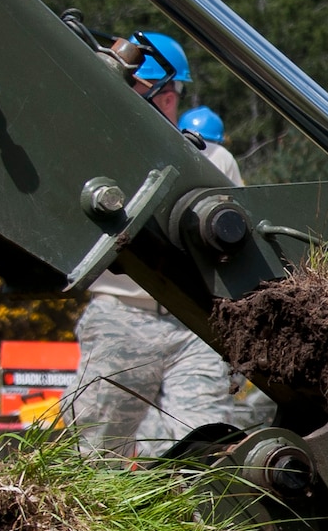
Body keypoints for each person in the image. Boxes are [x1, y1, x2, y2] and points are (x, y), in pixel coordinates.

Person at [63, 32, 263, 456]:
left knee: (202, 440)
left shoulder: (213, 159)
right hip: (122, 316)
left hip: (196, 322)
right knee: (96, 443)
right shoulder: (99, 151)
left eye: (166, 92)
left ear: (169, 95)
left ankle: (195, 522)